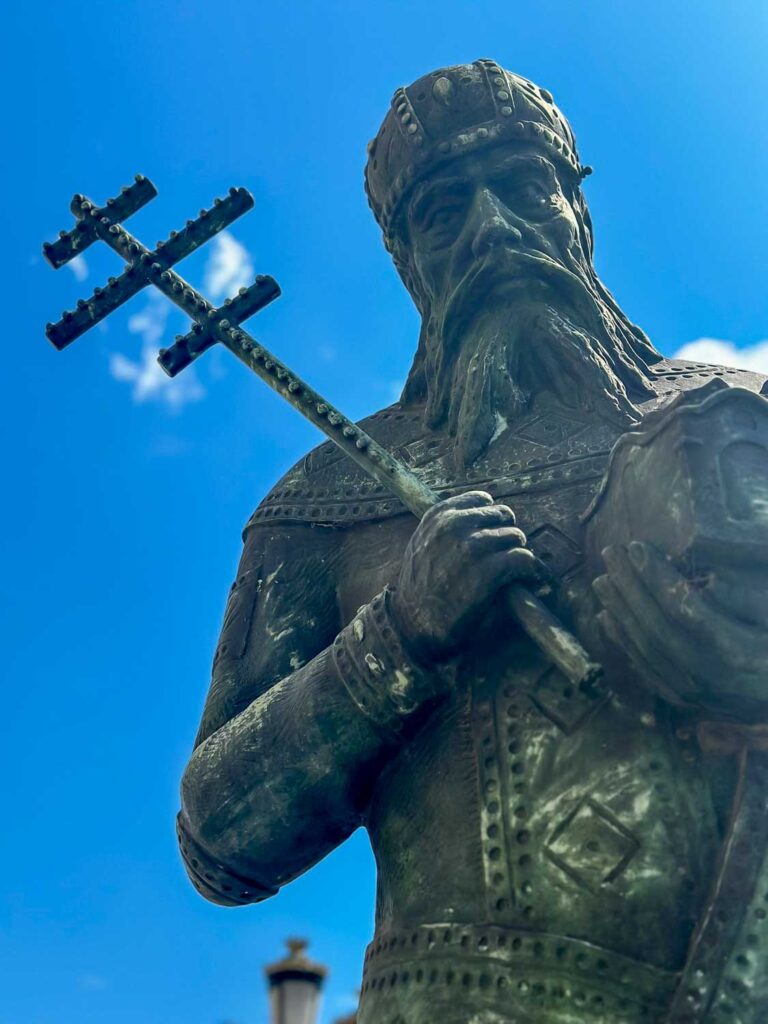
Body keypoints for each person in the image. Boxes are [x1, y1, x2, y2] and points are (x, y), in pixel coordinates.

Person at [177, 61, 768, 1023]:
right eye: (445, 211)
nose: (493, 229)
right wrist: (397, 638)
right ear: (408, 260)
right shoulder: (326, 499)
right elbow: (219, 839)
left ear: (578, 209)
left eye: (524, 186)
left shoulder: (745, 427)